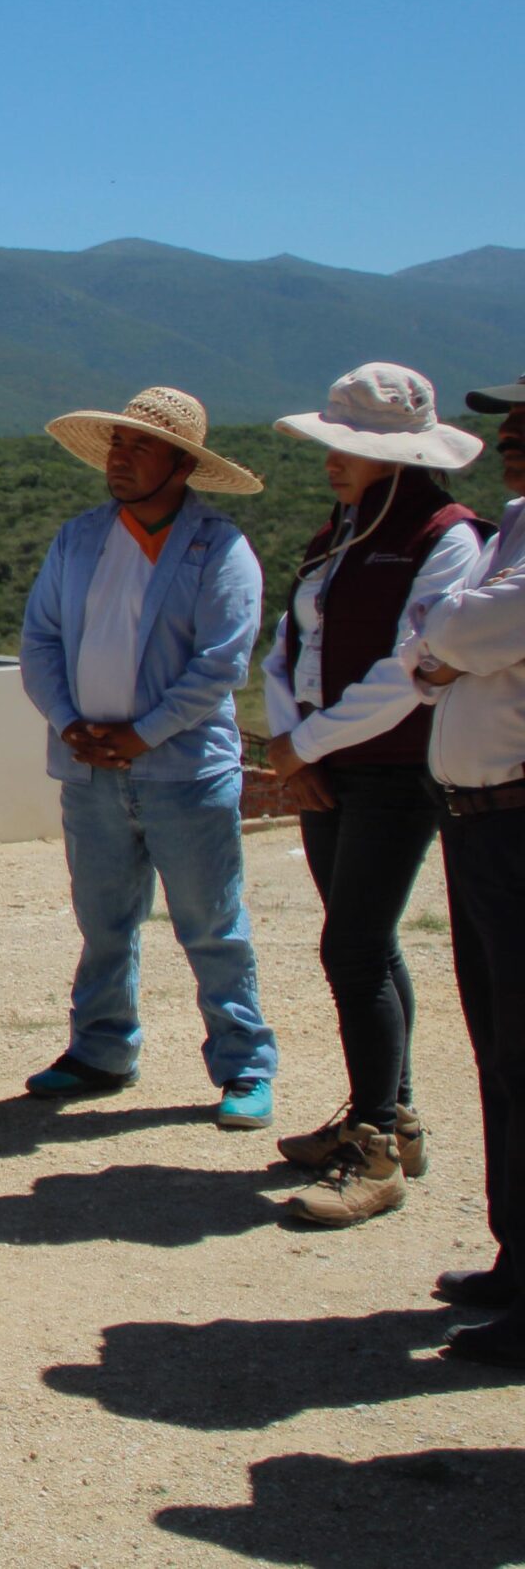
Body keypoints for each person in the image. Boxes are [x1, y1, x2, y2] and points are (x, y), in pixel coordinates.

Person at [17, 386, 280, 1127]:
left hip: (183, 771)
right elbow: (39, 640)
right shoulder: (78, 538)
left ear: (182, 464)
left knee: (211, 924)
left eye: (139, 447)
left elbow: (222, 663)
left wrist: (145, 732)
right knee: (104, 921)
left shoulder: (219, 548)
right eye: (117, 445)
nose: (120, 459)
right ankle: (101, 1049)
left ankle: (244, 1065)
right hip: (89, 768)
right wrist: (69, 721)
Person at [261, 364, 487, 1226]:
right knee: (370, 942)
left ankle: (375, 1144)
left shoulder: (448, 539)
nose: (331, 459)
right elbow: (288, 650)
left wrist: (303, 742)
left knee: (353, 946)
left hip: (396, 768)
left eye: (350, 446)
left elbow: (412, 670)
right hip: (328, 762)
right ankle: (394, 1112)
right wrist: (293, 745)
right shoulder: (337, 538)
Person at [399, 373, 525, 1366]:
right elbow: (440, 634)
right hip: (482, 822)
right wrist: (448, 641)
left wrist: (447, 641)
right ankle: (515, 1256)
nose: (513, 439)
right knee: (498, 1049)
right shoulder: (509, 532)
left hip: (514, 822)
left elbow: (460, 627)